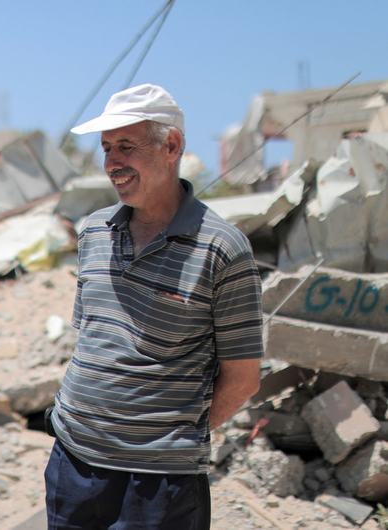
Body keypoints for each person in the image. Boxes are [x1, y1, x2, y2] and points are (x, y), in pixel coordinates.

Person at [46, 84, 263, 529]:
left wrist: (175, 441)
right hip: (73, 464)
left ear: (173, 146)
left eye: (126, 146)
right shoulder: (93, 233)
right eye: (106, 148)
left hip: (160, 486)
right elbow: (91, 340)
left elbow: (242, 380)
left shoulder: (222, 248)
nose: (112, 163)